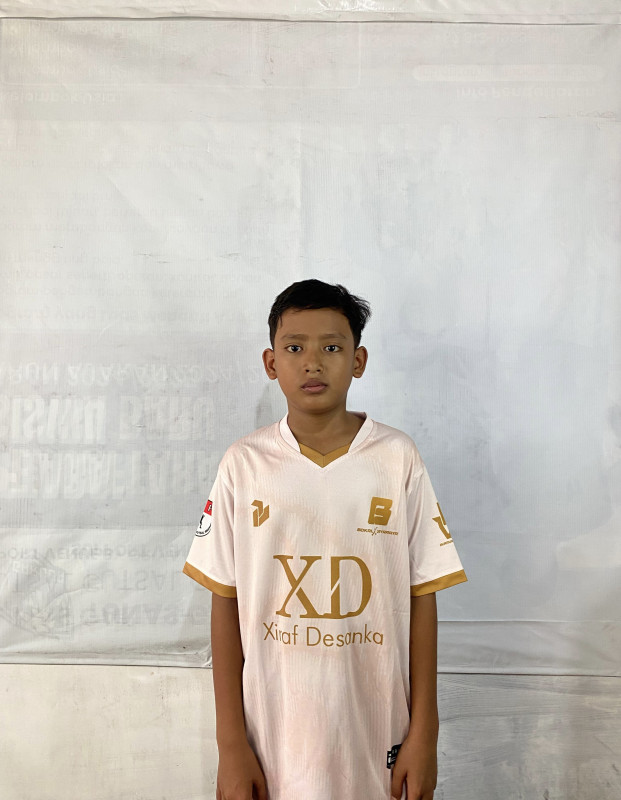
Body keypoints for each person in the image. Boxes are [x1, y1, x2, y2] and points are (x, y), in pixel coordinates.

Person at [182, 279, 467, 800]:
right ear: (271, 363)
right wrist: (231, 745)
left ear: (358, 360)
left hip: (376, 734)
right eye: (295, 348)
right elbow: (225, 601)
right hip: (271, 740)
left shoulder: (396, 458)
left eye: (331, 348)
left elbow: (422, 596)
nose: (312, 363)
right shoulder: (243, 465)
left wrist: (425, 734)